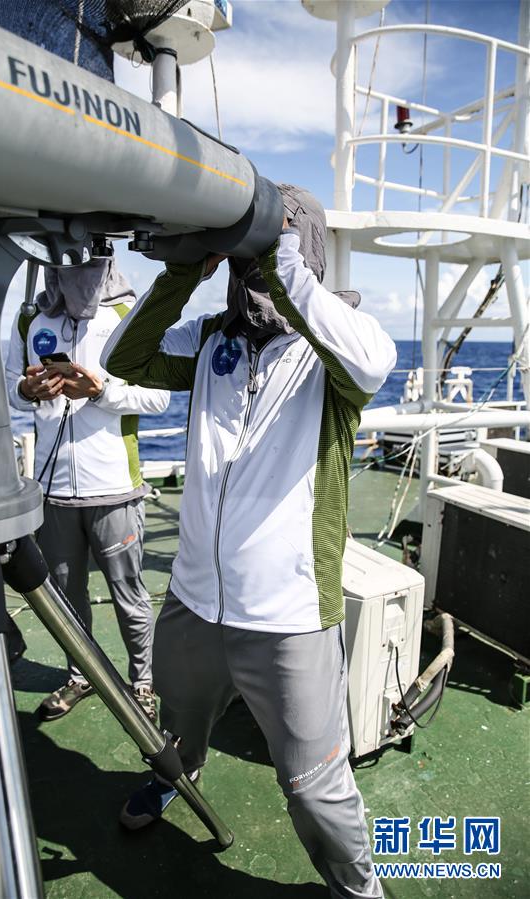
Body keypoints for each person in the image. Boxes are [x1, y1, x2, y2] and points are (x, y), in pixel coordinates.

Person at [101, 186, 396, 897]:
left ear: (303, 250)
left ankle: (358, 887)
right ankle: (177, 777)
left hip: (288, 618)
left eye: (270, 250)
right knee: (178, 723)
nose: (254, 270)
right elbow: (125, 357)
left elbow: (371, 364)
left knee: (313, 785)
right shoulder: (213, 339)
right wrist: (185, 269)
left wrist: (280, 251)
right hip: (194, 600)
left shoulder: (337, 350)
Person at [6, 251, 169, 722]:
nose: (75, 266)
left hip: (114, 489)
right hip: (54, 491)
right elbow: (10, 385)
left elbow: (160, 396)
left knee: (129, 595)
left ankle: (143, 682)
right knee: (65, 596)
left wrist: (100, 392)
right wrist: (27, 391)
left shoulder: (129, 315)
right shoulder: (32, 318)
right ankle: (81, 675)